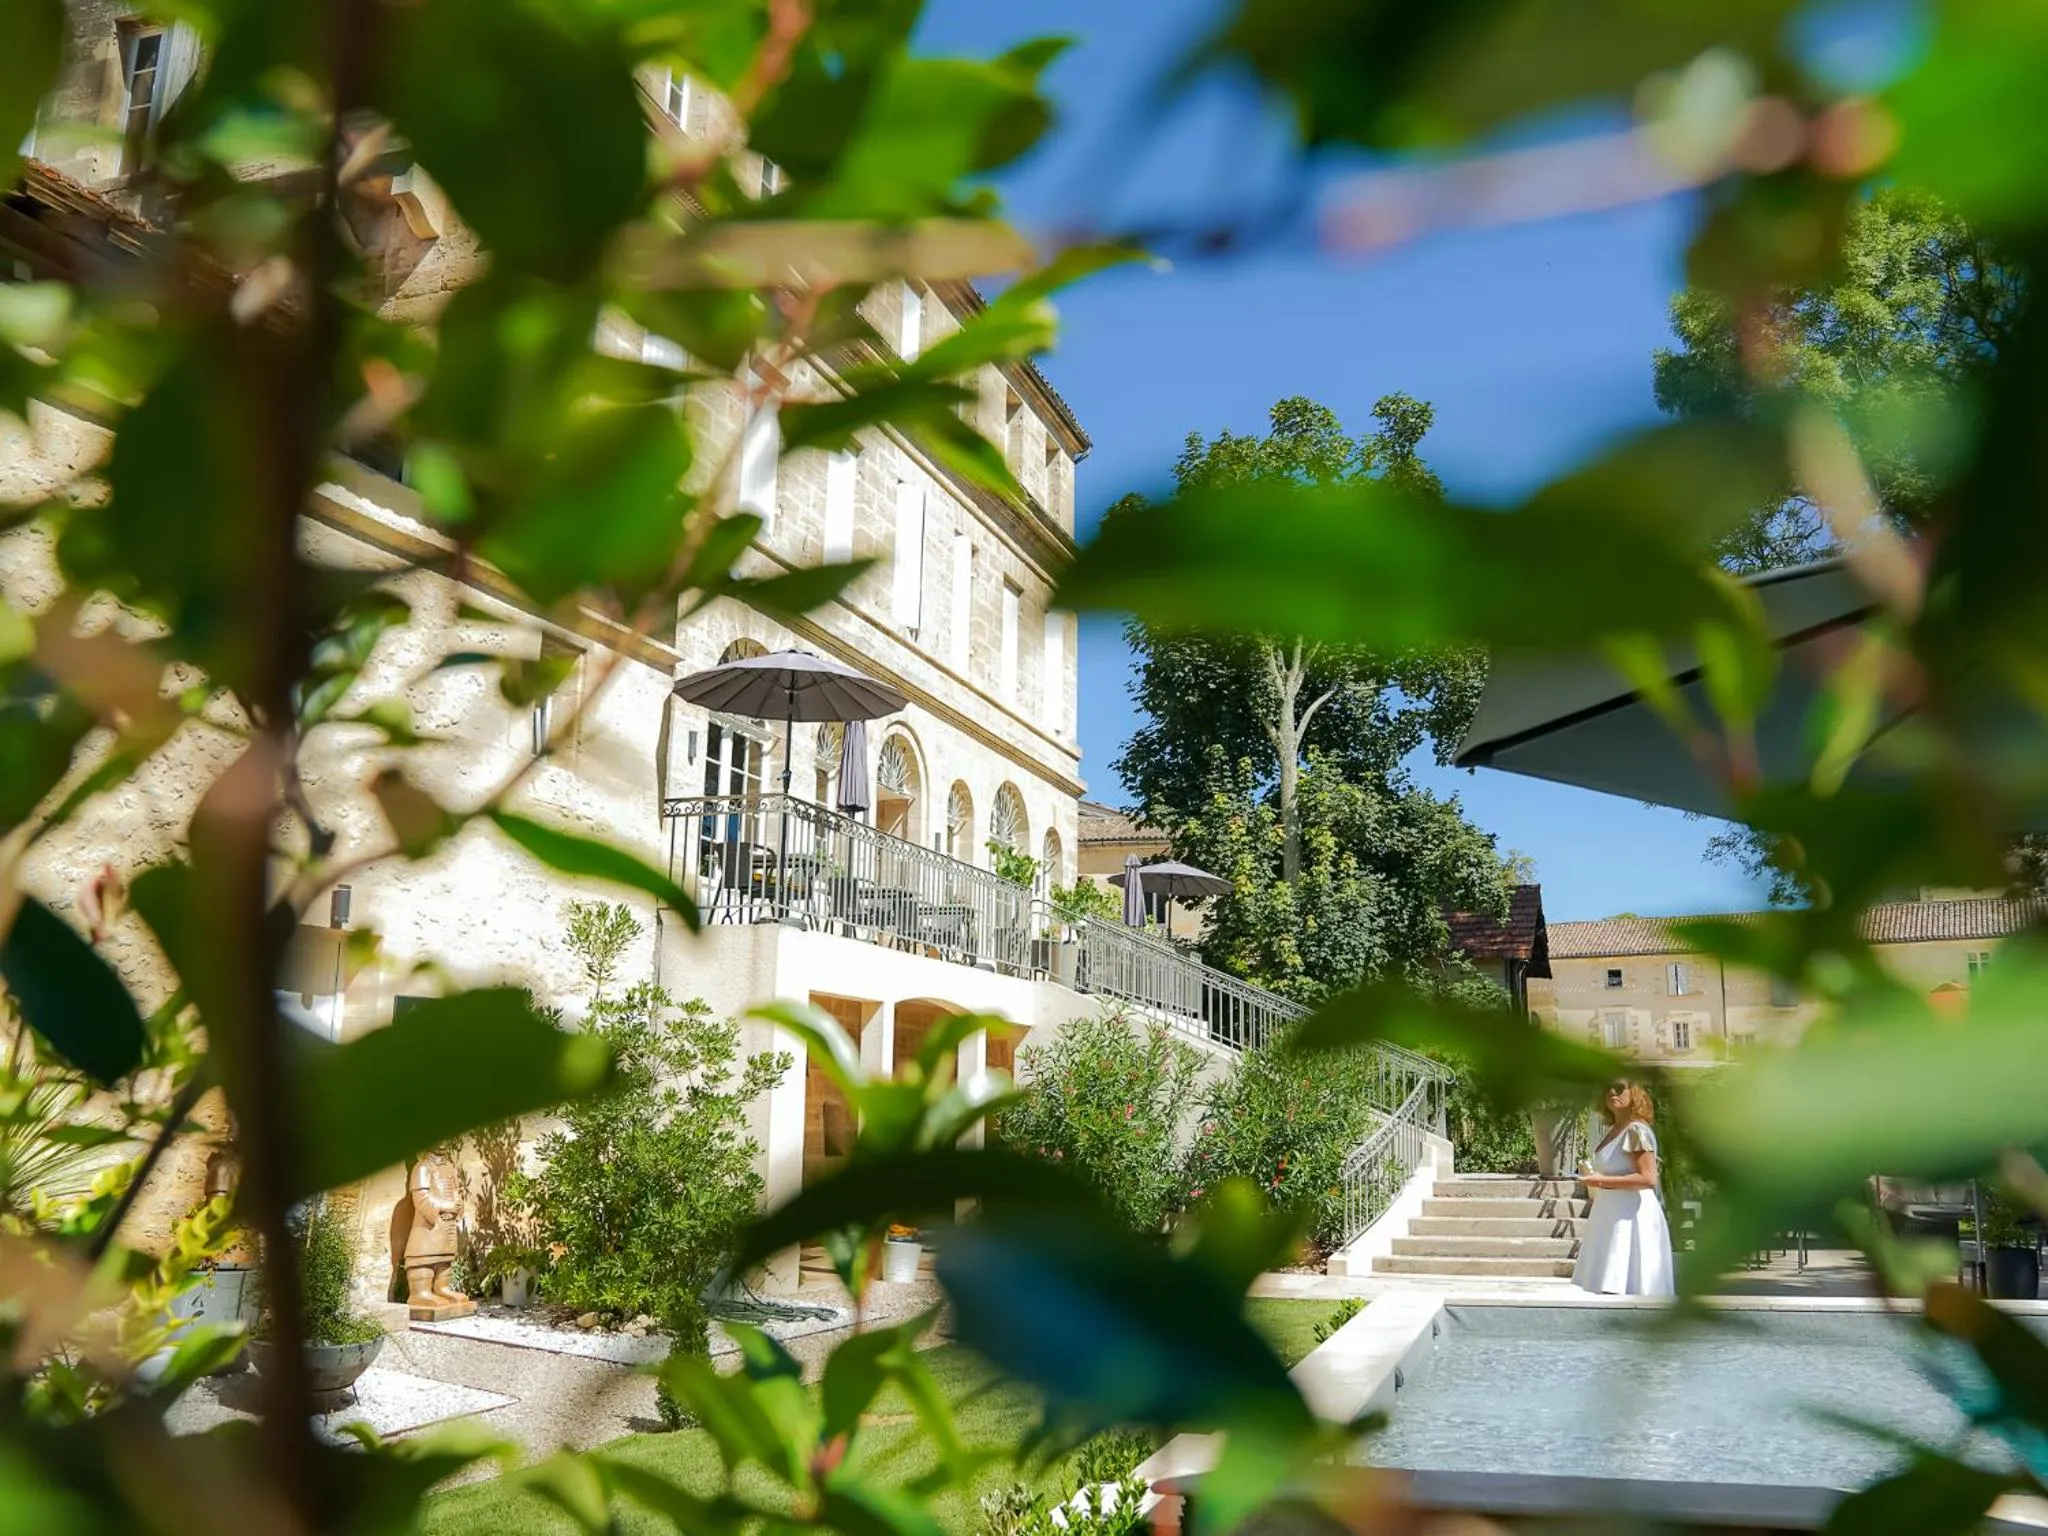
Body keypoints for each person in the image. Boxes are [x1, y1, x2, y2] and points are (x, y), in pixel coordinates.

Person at [1572, 1078, 1675, 1297]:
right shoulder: (1615, 1130)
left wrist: (1599, 1181)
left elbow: (1648, 1178)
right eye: (1606, 1087)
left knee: (1628, 1287)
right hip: (1612, 1214)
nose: (1611, 1092)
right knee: (1609, 1287)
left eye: (1619, 1087)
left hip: (1630, 1217)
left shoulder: (1636, 1131)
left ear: (1633, 1092)